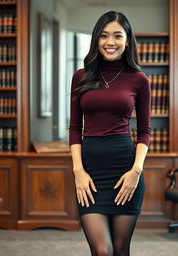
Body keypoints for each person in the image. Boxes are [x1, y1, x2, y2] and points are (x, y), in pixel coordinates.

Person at [69, 10, 151, 256]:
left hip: (125, 171)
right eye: (104, 36)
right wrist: (78, 171)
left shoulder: (139, 79)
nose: (110, 42)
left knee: (120, 249)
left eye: (117, 36)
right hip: (90, 175)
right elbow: (75, 128)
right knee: (102, 250)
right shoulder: (81, 77)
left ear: (127, 41)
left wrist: (136, 171)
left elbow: (145, 131)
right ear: (96, 40)